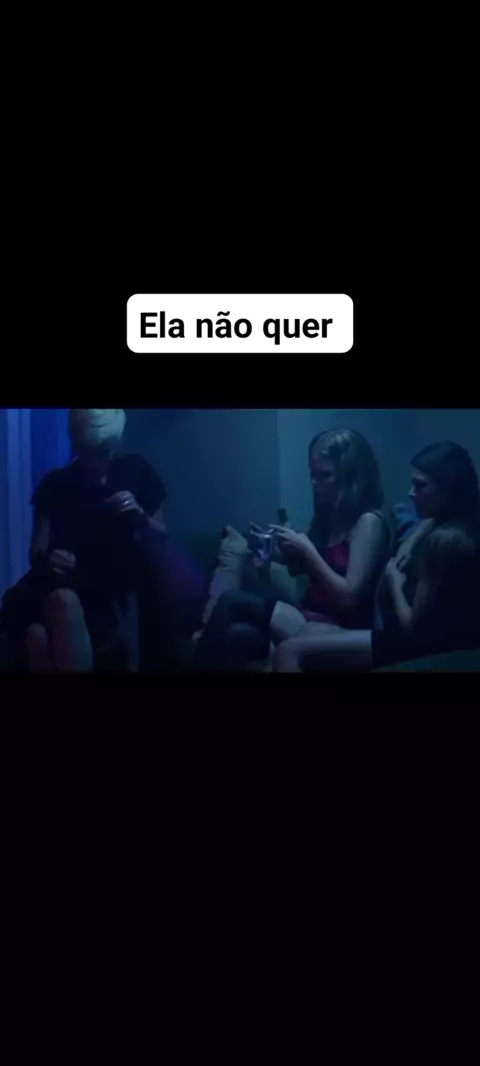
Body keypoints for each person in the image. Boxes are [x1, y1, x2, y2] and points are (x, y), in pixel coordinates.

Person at [2, 409, 199, 671]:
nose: (93, 462)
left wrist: (139, 515)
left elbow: (161, 537)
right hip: (58, 580)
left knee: (49, 623)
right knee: (39, 631)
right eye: (86, 452)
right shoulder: (56, 483)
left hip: (106, 585)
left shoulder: (135, 470)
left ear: (115, 443)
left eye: (101, 452)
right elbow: (36, 552)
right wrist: (50, 559)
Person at [193, 428, 392, 671]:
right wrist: (266, 546)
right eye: (312, 474)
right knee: (237, 636)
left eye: (324, 475)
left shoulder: (367, 522)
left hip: (340, 632)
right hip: (307, 617)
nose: (314, 482)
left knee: (232, 600)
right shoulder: (328, 520)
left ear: (351, 478)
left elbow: (349, 598)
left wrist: (307, 550)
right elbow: (299, 567)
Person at [273, 440, 480, 671]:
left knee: (289, 650)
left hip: (412, 645)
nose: (411, 493)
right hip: (406, 637)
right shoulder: (451, 522)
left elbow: (413, 627)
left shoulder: (443, 544)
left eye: (420, 486)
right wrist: (411, 542)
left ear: (448, 490)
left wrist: (395, 582)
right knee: (308, 631)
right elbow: (430, 521)